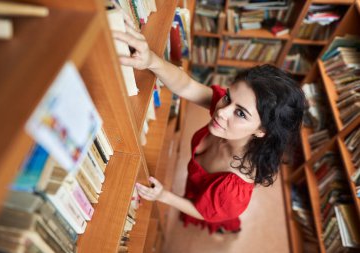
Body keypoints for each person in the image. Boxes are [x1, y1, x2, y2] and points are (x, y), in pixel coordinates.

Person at [112, 15, 306, 234]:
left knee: (214, 214)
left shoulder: (234, 189)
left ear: (262, 131)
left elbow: (203, 211)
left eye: (240, 113)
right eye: (228, 97)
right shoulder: (226, 110)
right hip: (197, 188)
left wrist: (164, 196)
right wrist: (151, 61)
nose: (222, 111)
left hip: (209, 203)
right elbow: (186, 86)